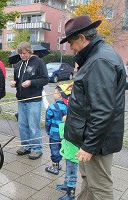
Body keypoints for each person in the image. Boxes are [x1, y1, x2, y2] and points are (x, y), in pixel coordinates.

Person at [60, 15, 126, 199]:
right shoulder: (96, 56)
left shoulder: (99, 61)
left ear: (82, 37)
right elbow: (96, 96)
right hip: (92, 136)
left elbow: (103, 110)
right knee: (89, 181)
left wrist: (89, 147)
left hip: (97, 141)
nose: (70, 48)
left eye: (71, 42)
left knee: (100, 188)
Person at [10, 42, 49, 160]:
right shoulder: (18, 65)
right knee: (22, 125)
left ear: (30, 51)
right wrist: (14, 83)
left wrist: (31, 82)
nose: (22, 55)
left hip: (34, 99)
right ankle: (26, 146)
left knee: (33, 125)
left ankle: (37, 149)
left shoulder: (39, 62)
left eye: (24, 53)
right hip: (21, 100)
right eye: (20, 53)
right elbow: (17, 80)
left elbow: (45, 79)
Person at [45, 84, 69, 175]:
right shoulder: (69, 107)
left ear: (59, 95)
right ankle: (60, 164)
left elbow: (48, 121)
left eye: (55, 92)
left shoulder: (52, 107)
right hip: (64, 134)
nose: (53, 94)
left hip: (54, 134)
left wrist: (48, 131)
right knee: (63, 149)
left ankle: (55, 167)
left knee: (54, 150)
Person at [56, 115, 79, 200]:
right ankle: (66, 185)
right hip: (69, 153)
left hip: (73, 155)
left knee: (71, 175)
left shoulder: (75, 126)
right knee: (68, 172)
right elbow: (63, 135)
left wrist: (64, 122)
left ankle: (71, 195)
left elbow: (62, 135)